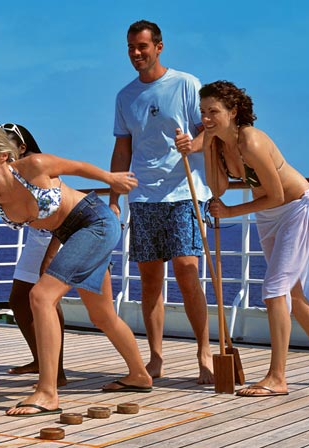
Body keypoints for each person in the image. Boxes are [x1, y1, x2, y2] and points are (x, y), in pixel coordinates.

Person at [0, 123, 152, 416]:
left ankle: (48, 392)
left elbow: (78, 167)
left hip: (94, 222)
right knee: (102, 314)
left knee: (41, 296)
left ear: (3, 156)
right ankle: (139, 375)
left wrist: (111, 179)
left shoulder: (33, 166)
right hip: (72, 234)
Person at [200, 80, 309, 396]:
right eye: (203, 112)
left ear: (233, 111)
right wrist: (209, 147)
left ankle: (277, 378)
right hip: (269, 214)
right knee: (289, 291)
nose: (206, 118)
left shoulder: (250, 141)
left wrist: (230, 213)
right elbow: (218, 188)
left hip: (295, 207)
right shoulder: (219, 144)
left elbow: (277, 193)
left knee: (274, 289)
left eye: (213, 111)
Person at [110, 20, 214, 384]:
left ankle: (204, 351)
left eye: (142, 46)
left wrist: (194, 144)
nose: (136, 54)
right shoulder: (125, 96)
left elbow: (208, 134)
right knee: (150, 279)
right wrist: (114, 196)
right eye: (131, 48)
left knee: (187, 269)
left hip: (186, 189)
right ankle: (155, 359)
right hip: (144, 194)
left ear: (159, 46)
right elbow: (122, 147)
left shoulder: (186, 83)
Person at [1, 123, 67, 386]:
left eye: (5, 149)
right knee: (18, 300)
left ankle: (57, 371)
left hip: (61, 235)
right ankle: (41, 359)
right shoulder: (9, 173)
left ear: (22, 148)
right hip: (37, 237)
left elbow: (62, 216)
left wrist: (50, 258)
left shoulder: (40, 171)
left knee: (48, 300)